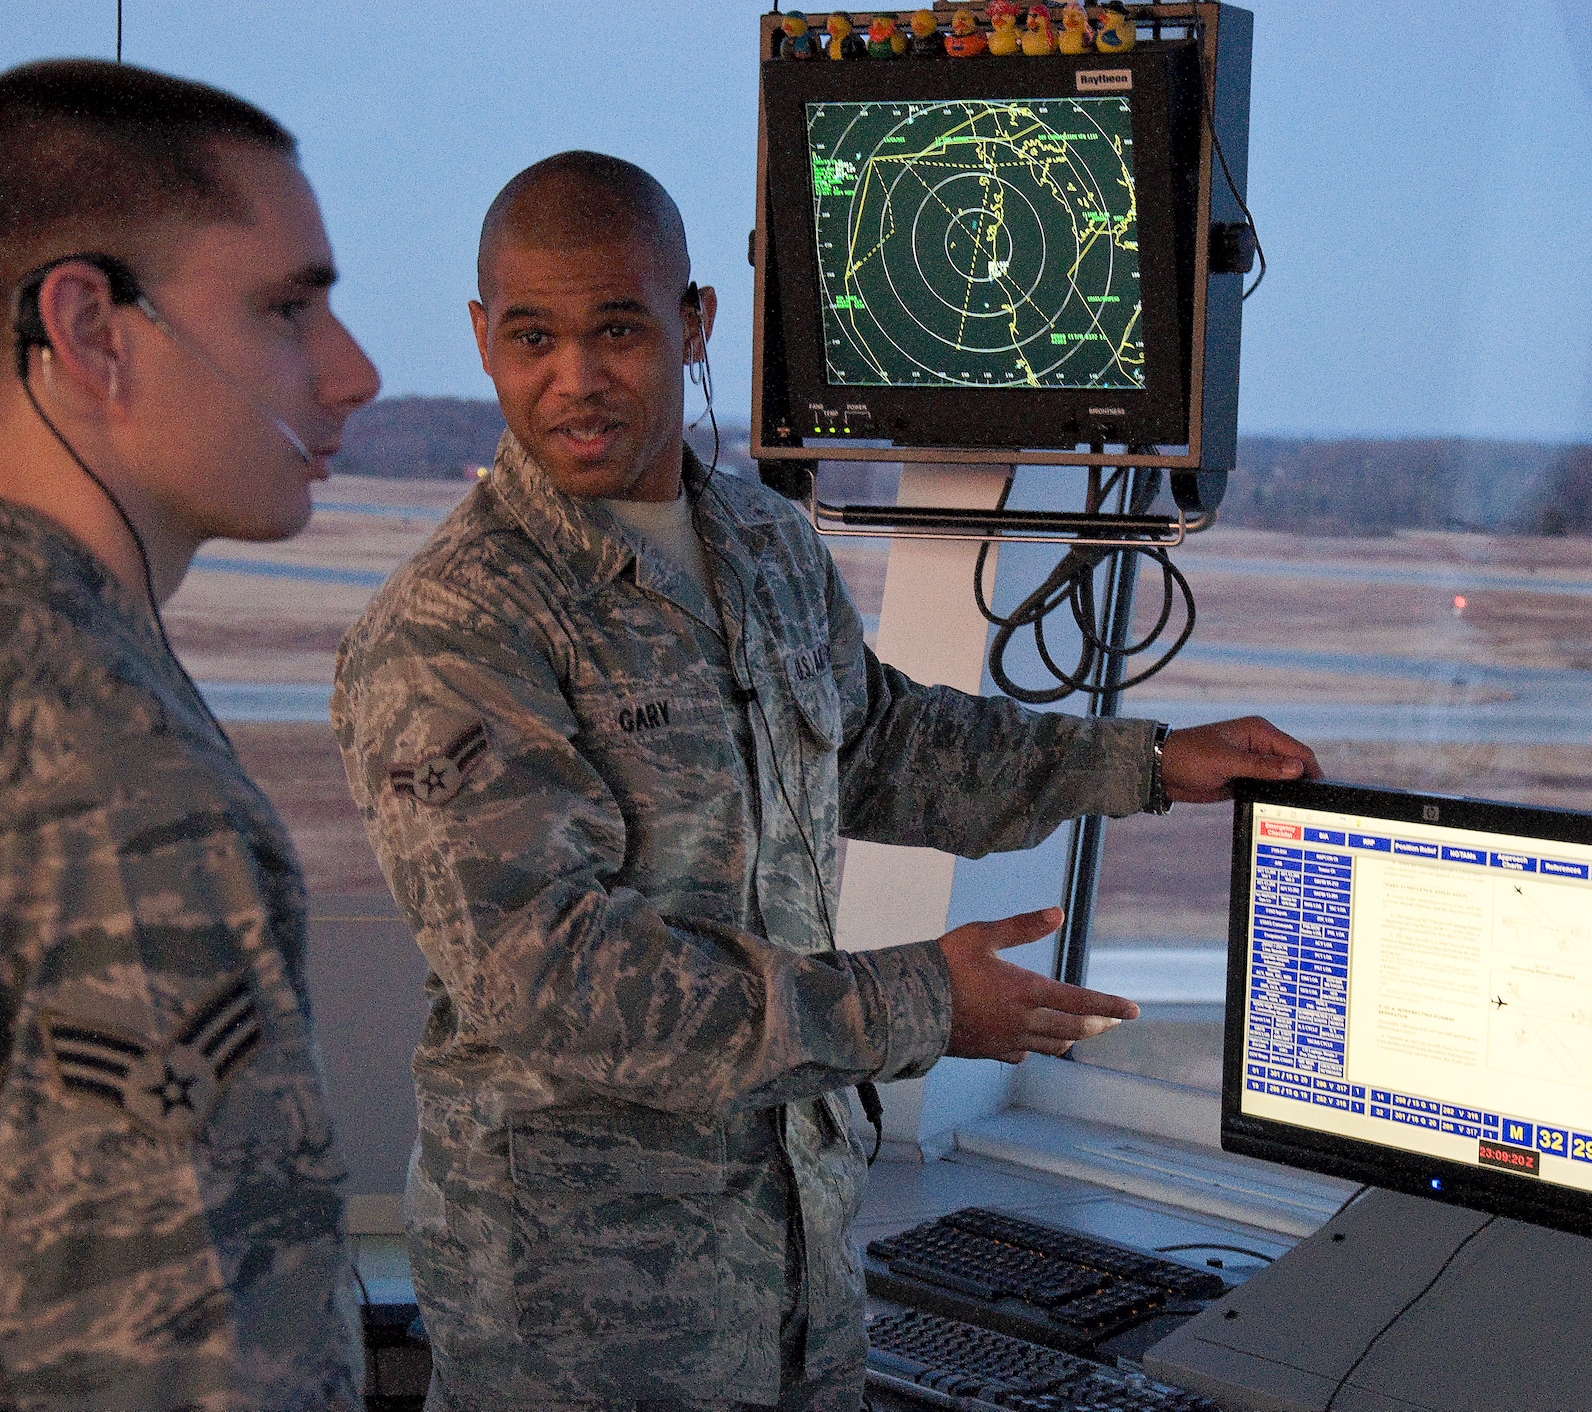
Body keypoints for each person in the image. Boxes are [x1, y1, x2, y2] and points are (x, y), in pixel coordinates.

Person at [330, 151, 1318, 1410]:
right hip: (586, 1322)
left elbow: (884, 742)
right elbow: (552, 978)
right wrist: (915, 1006)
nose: (572, 377)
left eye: (615, 329)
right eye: (532, 336)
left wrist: (1147, 762)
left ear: (693, 321)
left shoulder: (761, 542)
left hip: (795, 1265)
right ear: (480, 338)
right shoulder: (456, 628)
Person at [0, 60, 381, 1410]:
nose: (354, 370)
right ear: (91, 329)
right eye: (287, 306)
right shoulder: (114, 789)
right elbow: (185, 1372)